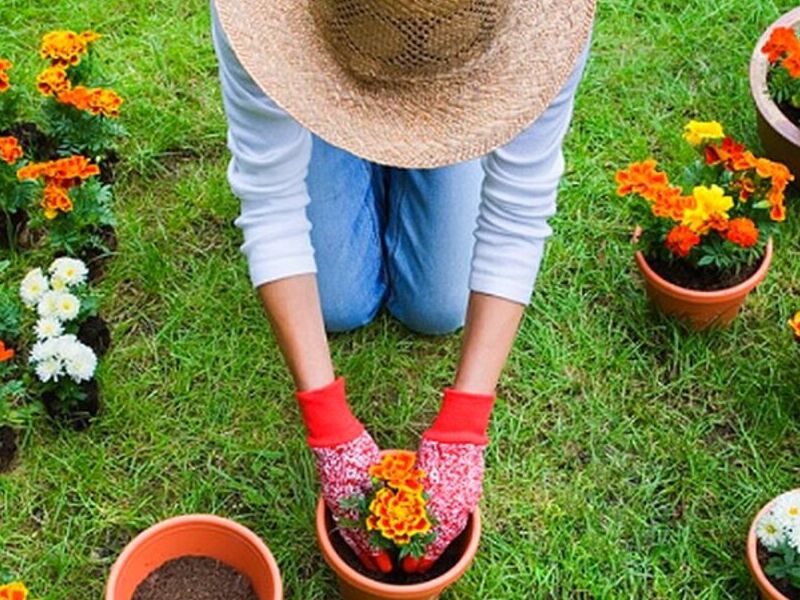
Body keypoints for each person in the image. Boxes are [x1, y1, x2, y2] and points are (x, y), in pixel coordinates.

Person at [211, 0, 595, 574]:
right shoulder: (256, 23)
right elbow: (270, 203)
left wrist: (466, 425)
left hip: (455, 77)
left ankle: (428, 140)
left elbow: (518, 211)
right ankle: (342, 136)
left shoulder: (552, 29)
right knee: (337, 304)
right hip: (329, 68)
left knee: (440, 306)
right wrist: (327, 422)